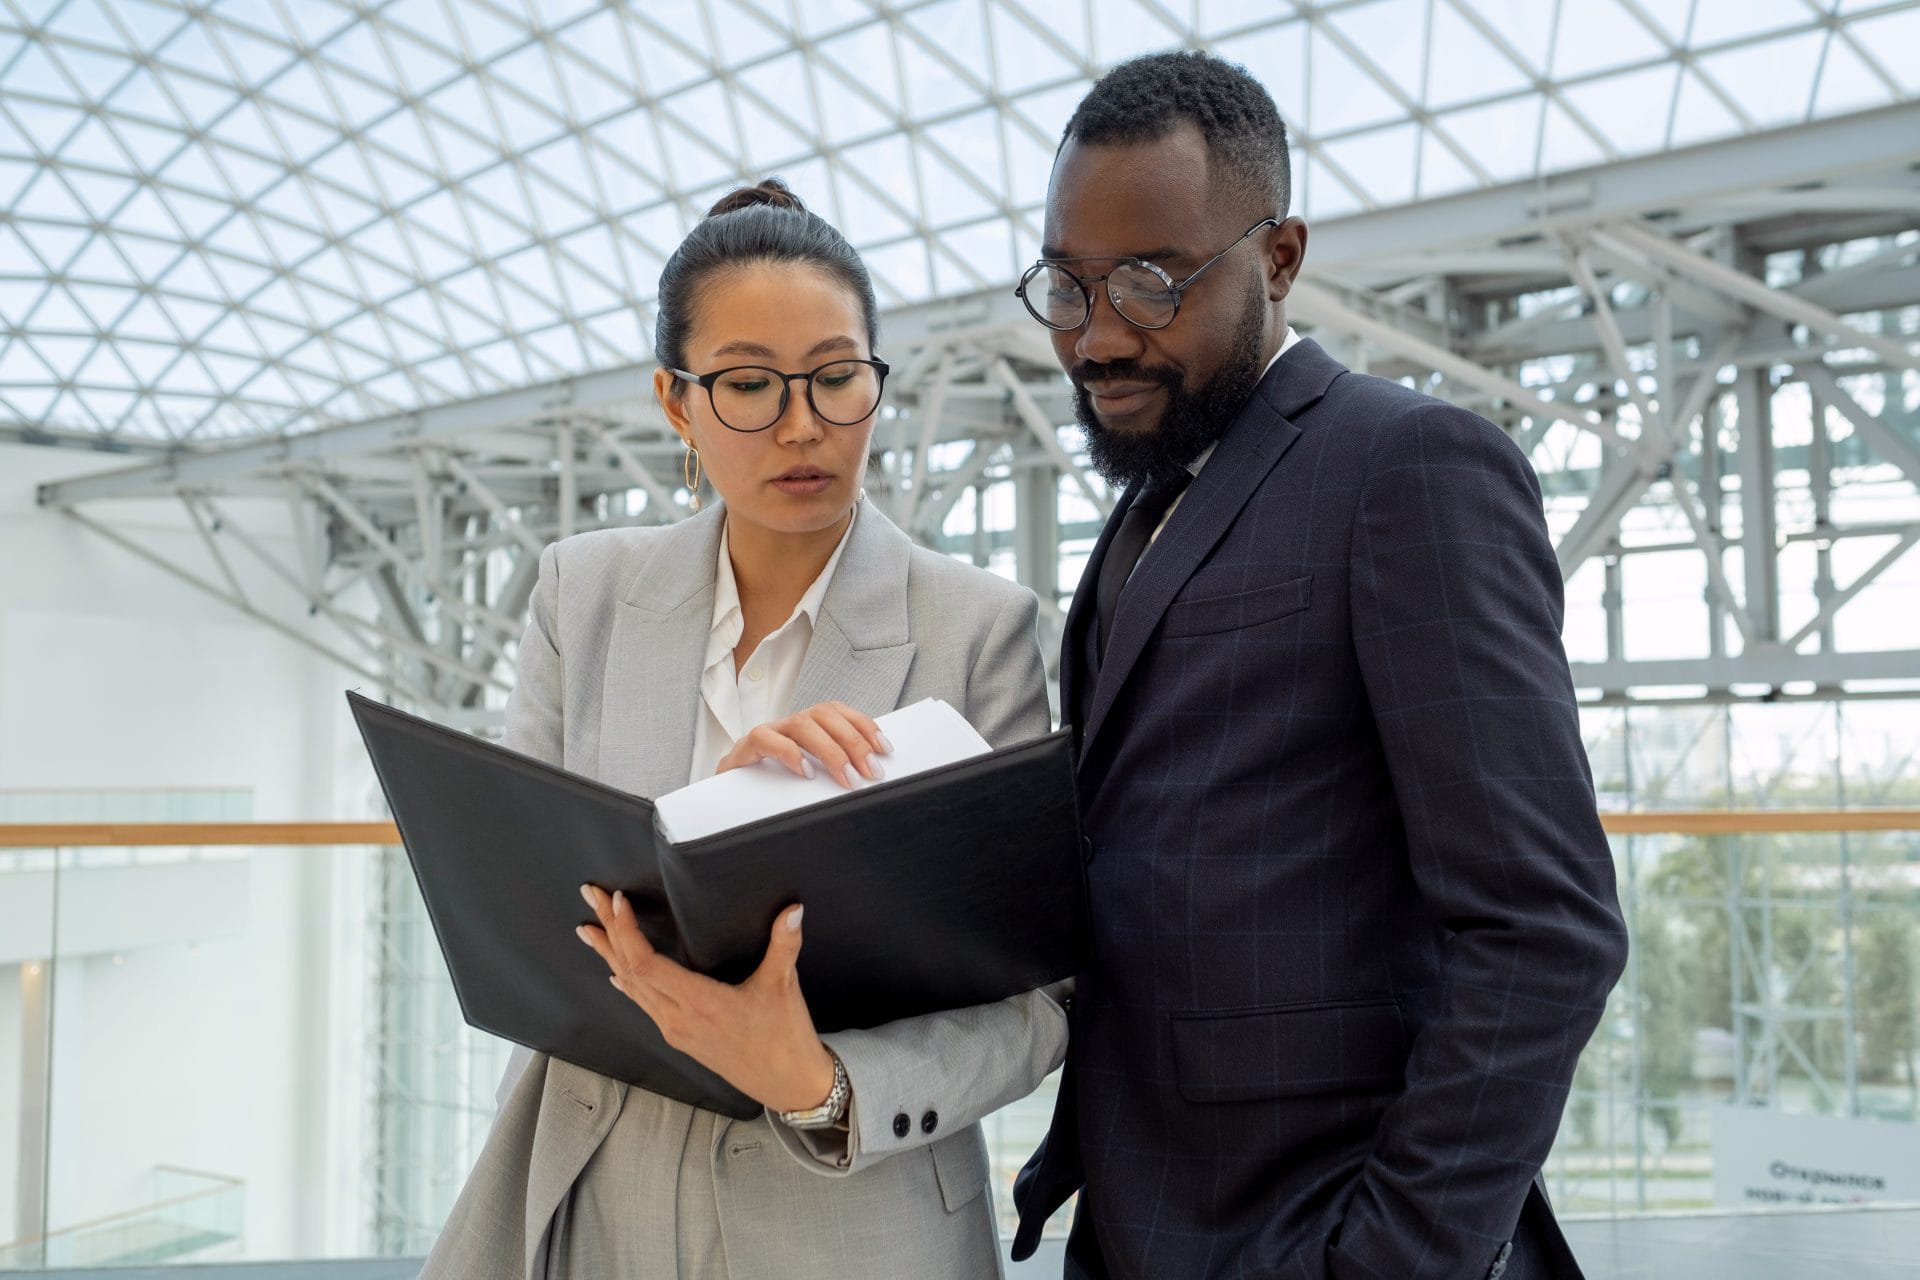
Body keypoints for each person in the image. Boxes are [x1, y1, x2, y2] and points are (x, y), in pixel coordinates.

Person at [1009, 52, 1630, 1280]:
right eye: (1068, 286)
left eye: (1148, 282)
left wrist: (1389, 1262)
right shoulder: (1154, 503)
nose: (1097, 336)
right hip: (1145, 1221)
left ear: (1280, 257)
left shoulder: (1407, 468)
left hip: (1310, 1233)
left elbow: (1544, 925)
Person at [422, 179, 1067, 1280]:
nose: (803, 423)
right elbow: (522, 905)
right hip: (597, 1192)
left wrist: (818, 1079)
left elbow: (1035, 1001)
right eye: (749, 386)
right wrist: (713, 820)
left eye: (835, 378)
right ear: (677, 403)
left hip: (853, 1224)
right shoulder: (582, 595)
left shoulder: (978, 631)